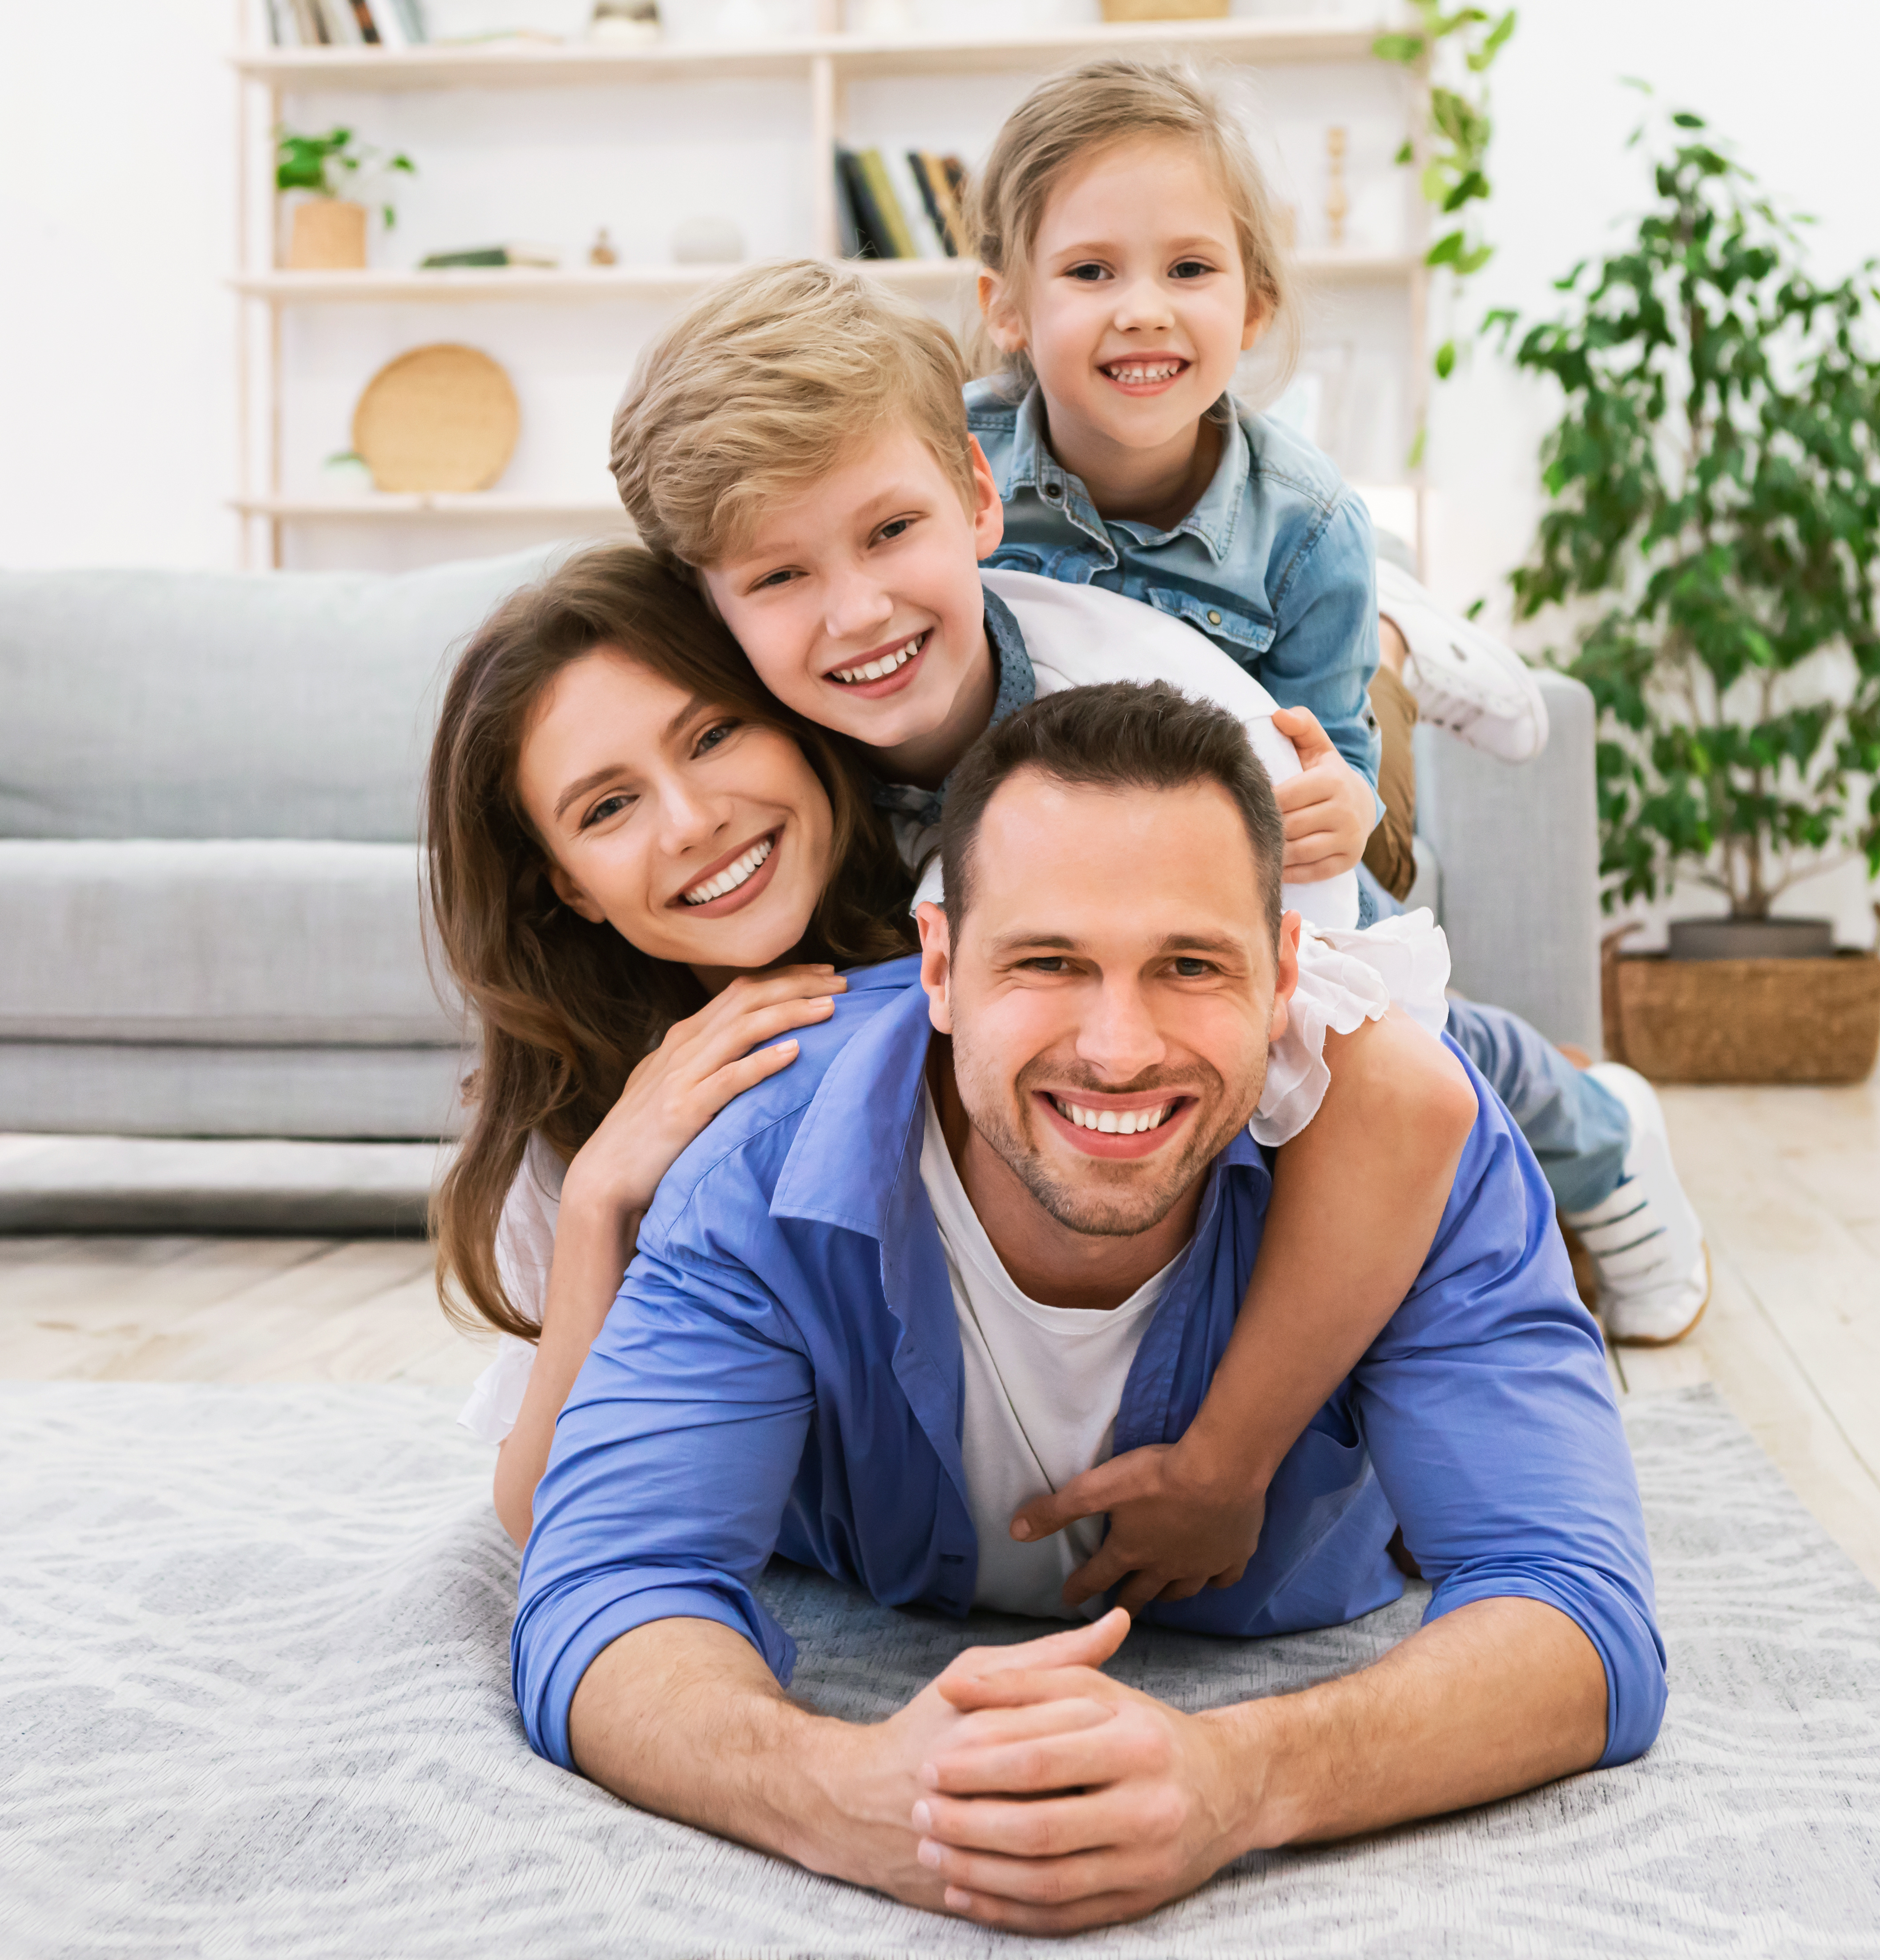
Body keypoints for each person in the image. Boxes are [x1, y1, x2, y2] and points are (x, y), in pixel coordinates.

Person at [513, 682, 1662, 1934]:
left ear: (1285, 972)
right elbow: (607, 1588)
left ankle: (1614, 1120)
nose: (1118, 1047)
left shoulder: (1429, 1163)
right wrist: (843, 1790)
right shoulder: (758, 1160)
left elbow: (1574, 1611)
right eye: (1049, 961)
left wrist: (1242, 1776)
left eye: (1188, 964)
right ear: (941, 965)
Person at [428, 544, 1458, 1618]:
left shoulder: (987, 903)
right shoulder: (580, 1111)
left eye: (715, 735)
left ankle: (1403, 645)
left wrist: (1226, 1462)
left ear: (795, 724)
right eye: (607, 809)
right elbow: (551, 1516)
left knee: (1468, 1059)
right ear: (567, 886)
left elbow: (1401, 1091)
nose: (693, 822)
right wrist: (599, 1199)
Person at [954, 56, 1710, 1346]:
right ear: (1009, 305)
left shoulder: (1305, 523)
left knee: (1377, 1018)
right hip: (1049, 854)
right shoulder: (958, 463)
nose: (1143, 310)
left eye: (1188, 270)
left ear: (1251, 305)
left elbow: (1339, 764)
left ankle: (1600, 1133)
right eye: (1091, 273)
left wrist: (1341, 800)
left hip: (1240, 840)